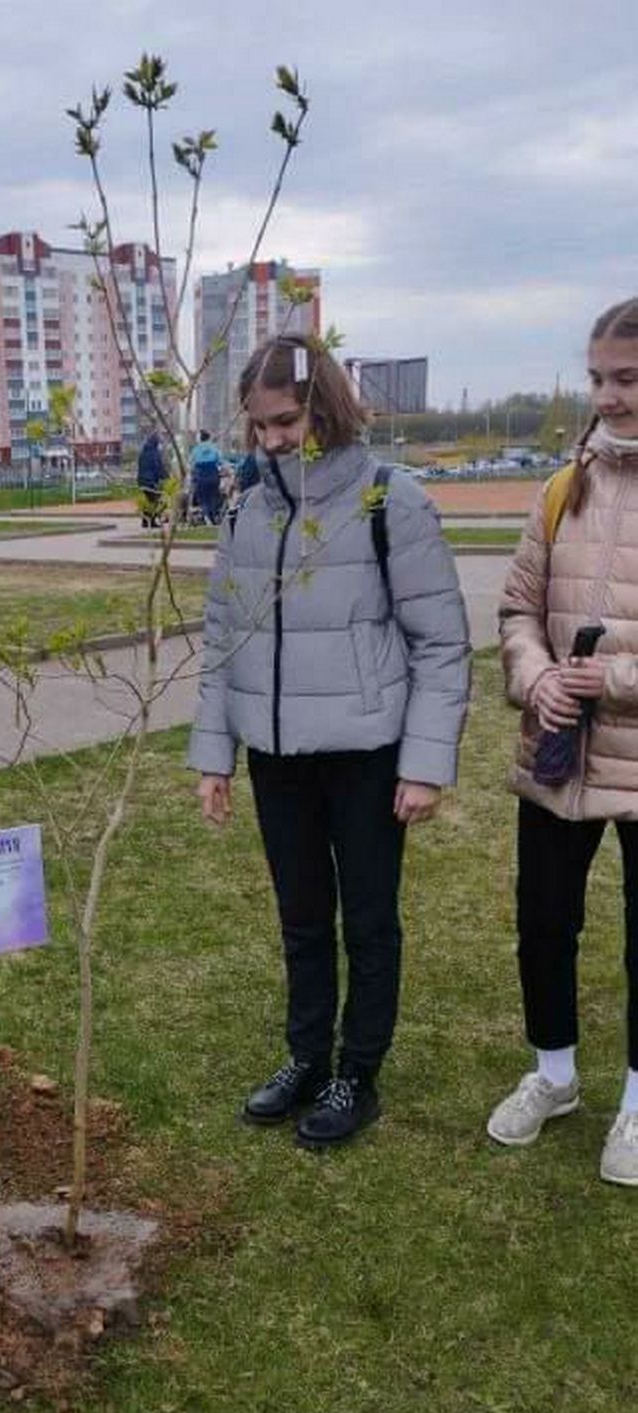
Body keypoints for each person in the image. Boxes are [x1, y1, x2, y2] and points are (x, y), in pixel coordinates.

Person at [188, 334, 470, 1147]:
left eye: (285, 421)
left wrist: (424, 766)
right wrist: (216, 755)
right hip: (279, 756)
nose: (272, 439)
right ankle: (307, 1056)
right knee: (302, 918)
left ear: (326, 408)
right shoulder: (247, 505)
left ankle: (359, 1072)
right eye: (259, 425)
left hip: (367, 755)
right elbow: (223, 636)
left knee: (369, 921)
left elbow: (441, 645)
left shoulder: (391, 500)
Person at [489, 298, 638, 1184]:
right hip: (557, 757)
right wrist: (536, 674)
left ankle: (636, 1105)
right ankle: (554, 1076)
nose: (609, 397)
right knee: (544, 922)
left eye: (626, 379)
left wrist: (614, 680)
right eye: (598, 379)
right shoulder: (563, 485)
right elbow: (517, 606)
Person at [189, 430, 224, 524]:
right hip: (213, 475)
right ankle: (212, 516)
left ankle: (206, 515)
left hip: (201, 476)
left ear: (200, 438)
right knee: (213, 497)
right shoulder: (214, 448)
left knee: (203, 498)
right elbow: (221, 462)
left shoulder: (195, 450)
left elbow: (191, 465)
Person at [136, 430, 167, 528]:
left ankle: (146, 521)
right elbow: (158, 467)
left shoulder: (143, 451)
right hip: (150, 480)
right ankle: (151, 521)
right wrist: (165, 476)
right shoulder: (154, 453)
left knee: (149, 500)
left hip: (141, 480)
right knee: (155, 500)